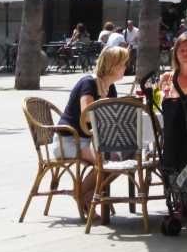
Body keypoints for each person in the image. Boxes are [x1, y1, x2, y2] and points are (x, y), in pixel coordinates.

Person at [55, 44, 131, 217]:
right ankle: (86, 196)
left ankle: (84, 195)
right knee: (106, 161)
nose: (126, 67)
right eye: (123, 64)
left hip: (90, 141)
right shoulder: (89, 83)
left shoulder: (110, 87)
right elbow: (87, 115)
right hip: (68, 140)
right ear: (112, 65)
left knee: (122, 159)